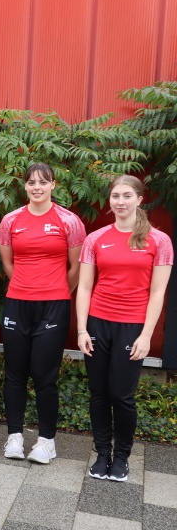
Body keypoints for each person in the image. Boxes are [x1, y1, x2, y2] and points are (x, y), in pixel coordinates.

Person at [77, 175, 172, 481]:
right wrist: (82, 329)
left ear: (139, 199)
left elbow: (158, 292)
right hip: (98, 324)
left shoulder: (159, 241)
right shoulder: (96, 239)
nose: (120, 201)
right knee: (99, 393)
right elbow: (85, 287)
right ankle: (102, 453)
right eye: (115, 196)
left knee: (122, 395)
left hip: (132, 327)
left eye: (126, 195)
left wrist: (146, 335)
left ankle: (122, 457)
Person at [0, 162, 86, 463]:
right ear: (24, 186)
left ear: (53, 185)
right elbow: (8, 263)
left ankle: (47, 441)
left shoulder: (69, 221)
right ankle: (15, 436)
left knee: (45, 376)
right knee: (15, 373)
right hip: (18, 303)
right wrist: (25, 287)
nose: (37, 187)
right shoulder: (11, 220)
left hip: (54, 305)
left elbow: (75, 268)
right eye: (31, 182)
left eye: (43, 182)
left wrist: (58, 292)